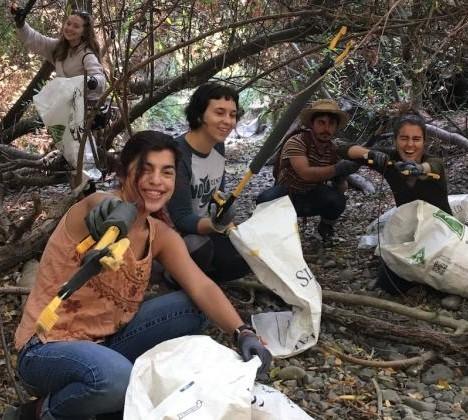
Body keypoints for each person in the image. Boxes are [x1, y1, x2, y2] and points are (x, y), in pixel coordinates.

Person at [13, 131, 271, 420]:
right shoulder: (98, 208)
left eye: (167, 172)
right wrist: (109, 215)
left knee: (192, 306)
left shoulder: (160, 235)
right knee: (117, 380)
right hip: (45, 348)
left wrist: (243, 332)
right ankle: (38, 413)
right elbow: (97, 205)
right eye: (145, 169)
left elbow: (201, 286)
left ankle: (109, 397)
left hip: (106, 343)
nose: (156, 181)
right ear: (124, 172)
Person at [343, 112, 451, 294]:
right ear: (395, 140)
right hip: (408, 233)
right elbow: (345, 149)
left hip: (440, 232)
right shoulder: (390, 160)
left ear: (424, 142)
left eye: (416, 139)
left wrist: (418, 169)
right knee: (388, 284)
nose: (410, 145)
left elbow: (433, 167)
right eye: (404, 138)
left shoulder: (433, 162)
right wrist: (370, 153)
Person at [166, 82, 251, 283]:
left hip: (206, 225)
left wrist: (227, 223)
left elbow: (216, 195)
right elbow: (182, 218)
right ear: (198, 115)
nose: (228, 121)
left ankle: (204, 279)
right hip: (176, 234)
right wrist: (217, 225)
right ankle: (172, 276)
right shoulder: (178, 156)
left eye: (232, 115)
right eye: (219, 113)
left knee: (246, 258)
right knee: (199, 247)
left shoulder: (218, 146)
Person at [256, 99, 360, 240]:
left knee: (338, 200)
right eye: (321, 123)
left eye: (331, 124)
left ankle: (325, 228)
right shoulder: (297, 141)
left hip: (312, 193)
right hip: (288, 193)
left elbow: (341, 188)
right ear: (312, 124)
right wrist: (337, 168)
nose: (326, 128)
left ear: (336, 127)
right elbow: (305, 173)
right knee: (265, 200)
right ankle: (272, 232)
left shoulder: (333, 149)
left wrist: (341, 178)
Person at [11, 6, 105, 100]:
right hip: (60, 104)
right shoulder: (59, 47)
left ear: (84, 32)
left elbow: (99, 78)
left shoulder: (87, 55)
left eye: (76, 26)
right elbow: (36, 40)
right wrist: (21, 24)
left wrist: (93, 81)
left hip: (80, 108)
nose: (70, 28)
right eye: (68, 24)